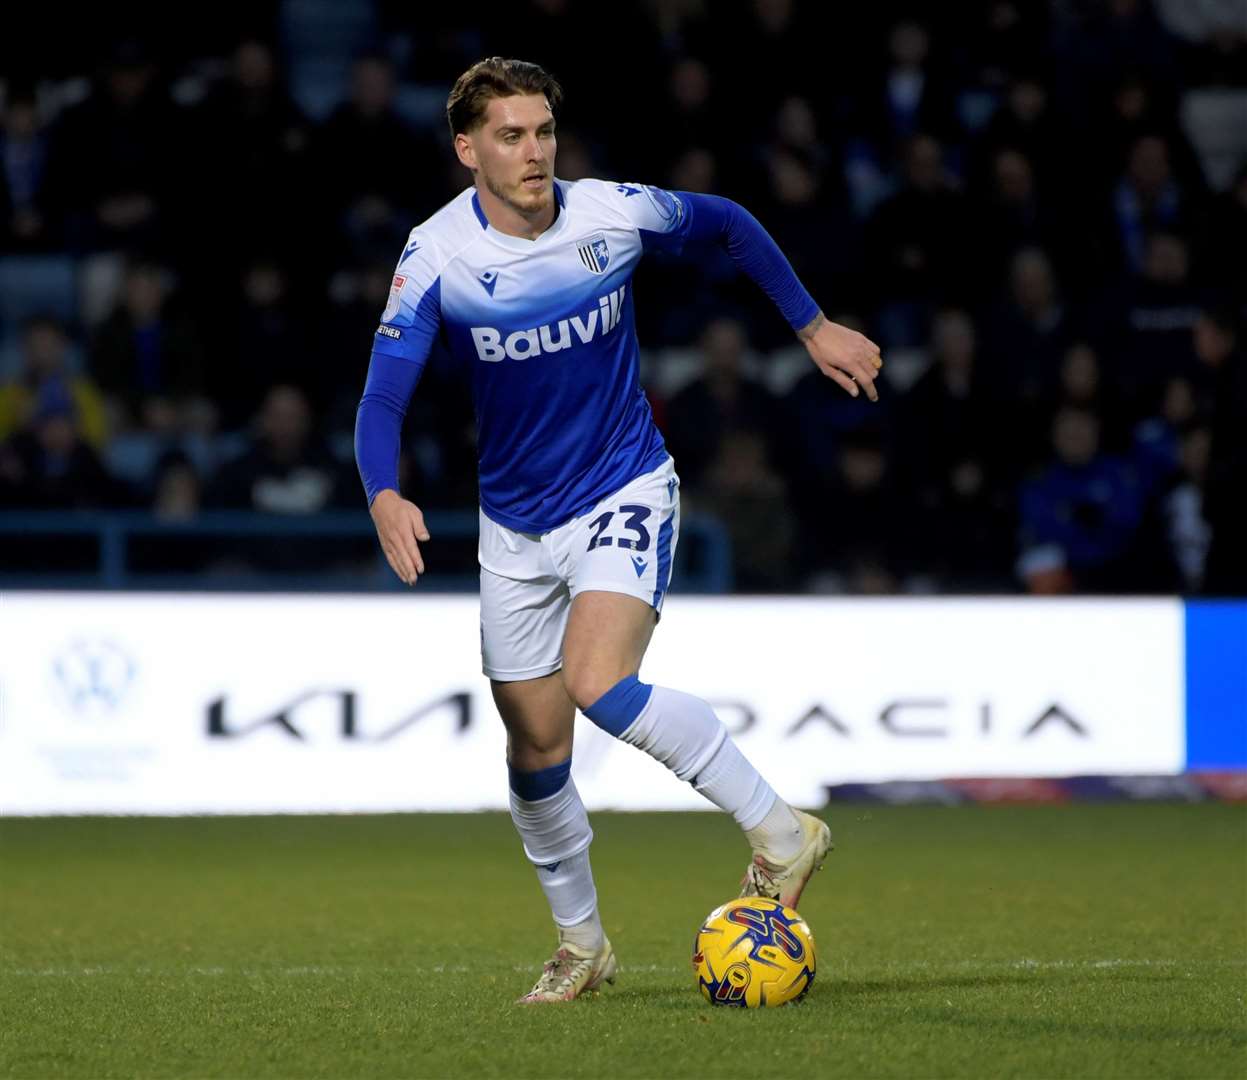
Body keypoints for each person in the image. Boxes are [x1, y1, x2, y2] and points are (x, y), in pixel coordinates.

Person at [354, 58, 883, 1004]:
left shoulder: (609, 213)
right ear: (467, 149)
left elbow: (726, 221)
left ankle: (781, 830)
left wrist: (810, 328)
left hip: (623, 487)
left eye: (544, 131)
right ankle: (582, 945)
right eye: (510, 136)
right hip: (514, 530)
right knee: (533, 752)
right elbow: (384, 390)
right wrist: (383, 492)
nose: (533, 152)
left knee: (599, 683)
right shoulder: (435, 255)